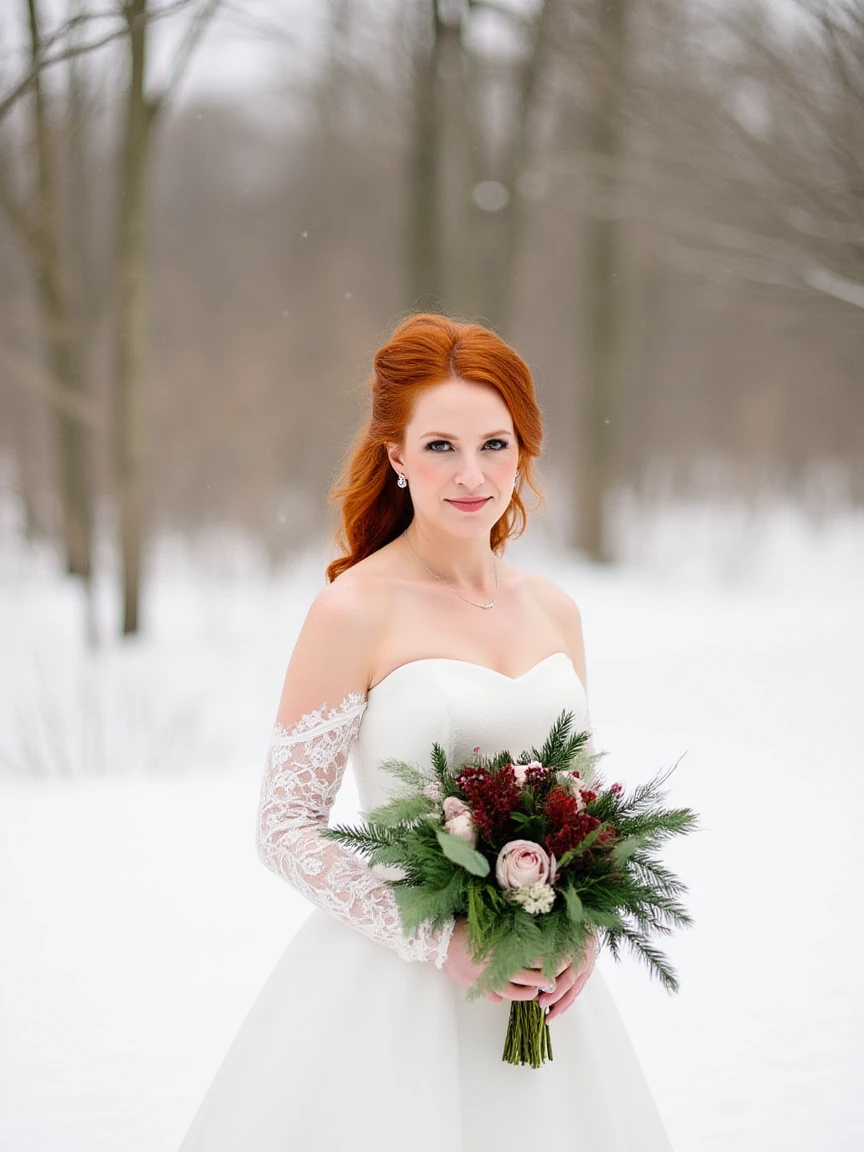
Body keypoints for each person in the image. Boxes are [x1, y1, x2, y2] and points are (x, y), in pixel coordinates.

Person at [177, 313, 673, 1151]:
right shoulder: (353, 610)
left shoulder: (556, 609)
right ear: (396, 456)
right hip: (395, 990)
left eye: (495, 444)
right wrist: (440, 940)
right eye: (440, 445)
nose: (471, 473)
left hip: (539, 988)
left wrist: (582, 927)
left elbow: (582, 803)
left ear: (525, 450)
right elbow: (286, 829)